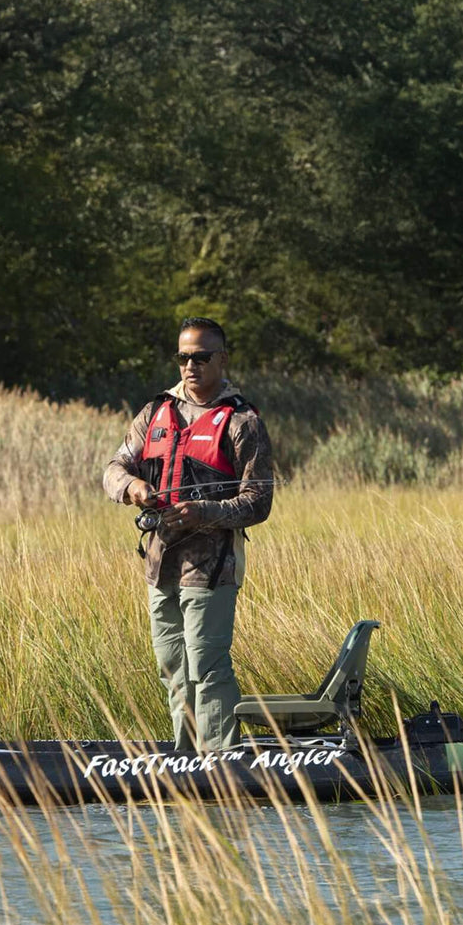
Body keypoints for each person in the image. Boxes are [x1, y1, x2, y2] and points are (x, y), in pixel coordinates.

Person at [104, 317, 273, 750]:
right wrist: (132, 488)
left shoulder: (243, 420)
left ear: (222, 359)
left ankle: (217, 759)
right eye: (183, 357)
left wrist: (202, 512)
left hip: (213, 567)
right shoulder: (155, 411)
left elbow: (258, 502)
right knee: (172, 666)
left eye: (200, 357)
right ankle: (185, 759)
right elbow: (114, 469)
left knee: (206, 664)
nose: (190, 366)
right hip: (160, 564)